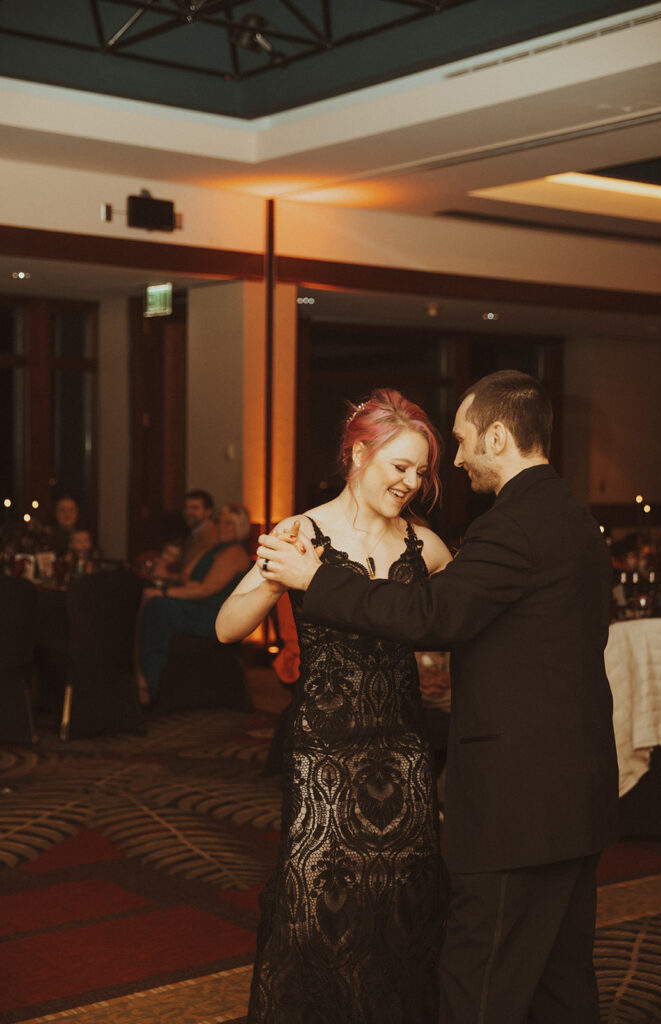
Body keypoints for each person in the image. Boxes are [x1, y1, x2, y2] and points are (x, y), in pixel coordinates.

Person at [256, 370, 619, 1024]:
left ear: (499, 436)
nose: (454, 460)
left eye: (461, 440)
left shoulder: (512, 525)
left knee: (479, 982)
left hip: (519, 804)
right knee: (559, 983)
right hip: (575, 790)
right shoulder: (571, 517)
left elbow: (432, 615)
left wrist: (317, 578)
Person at [216, 389, 453, 1024]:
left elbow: (460, 629)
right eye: (399, 466)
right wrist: (273, 574)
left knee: (402, 921)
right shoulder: (302, 532)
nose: (411, 482)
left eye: (420, 471)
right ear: (357, 453)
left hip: (404, 760)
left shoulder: (425, 548)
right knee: (312, 920)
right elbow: (226, 628)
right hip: (323, 759)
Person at [136, 503, 251, 704]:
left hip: (214, 614)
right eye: (220, 522)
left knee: (158, 606)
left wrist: (163, 592)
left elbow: (204, 590)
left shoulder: (234, 553)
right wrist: (182, 583)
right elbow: (185, 576)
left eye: (229, 524)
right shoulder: (213, 548)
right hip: (198, 603)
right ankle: (142, 675)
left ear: (240, 528)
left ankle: (148, 683)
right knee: (150, 603)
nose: (223, 527)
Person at [180, 489, 218, 573]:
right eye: (186, 508)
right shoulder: (194, 533)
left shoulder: (211, 535)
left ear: (208, 512)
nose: (188, 512)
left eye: (194, 508)